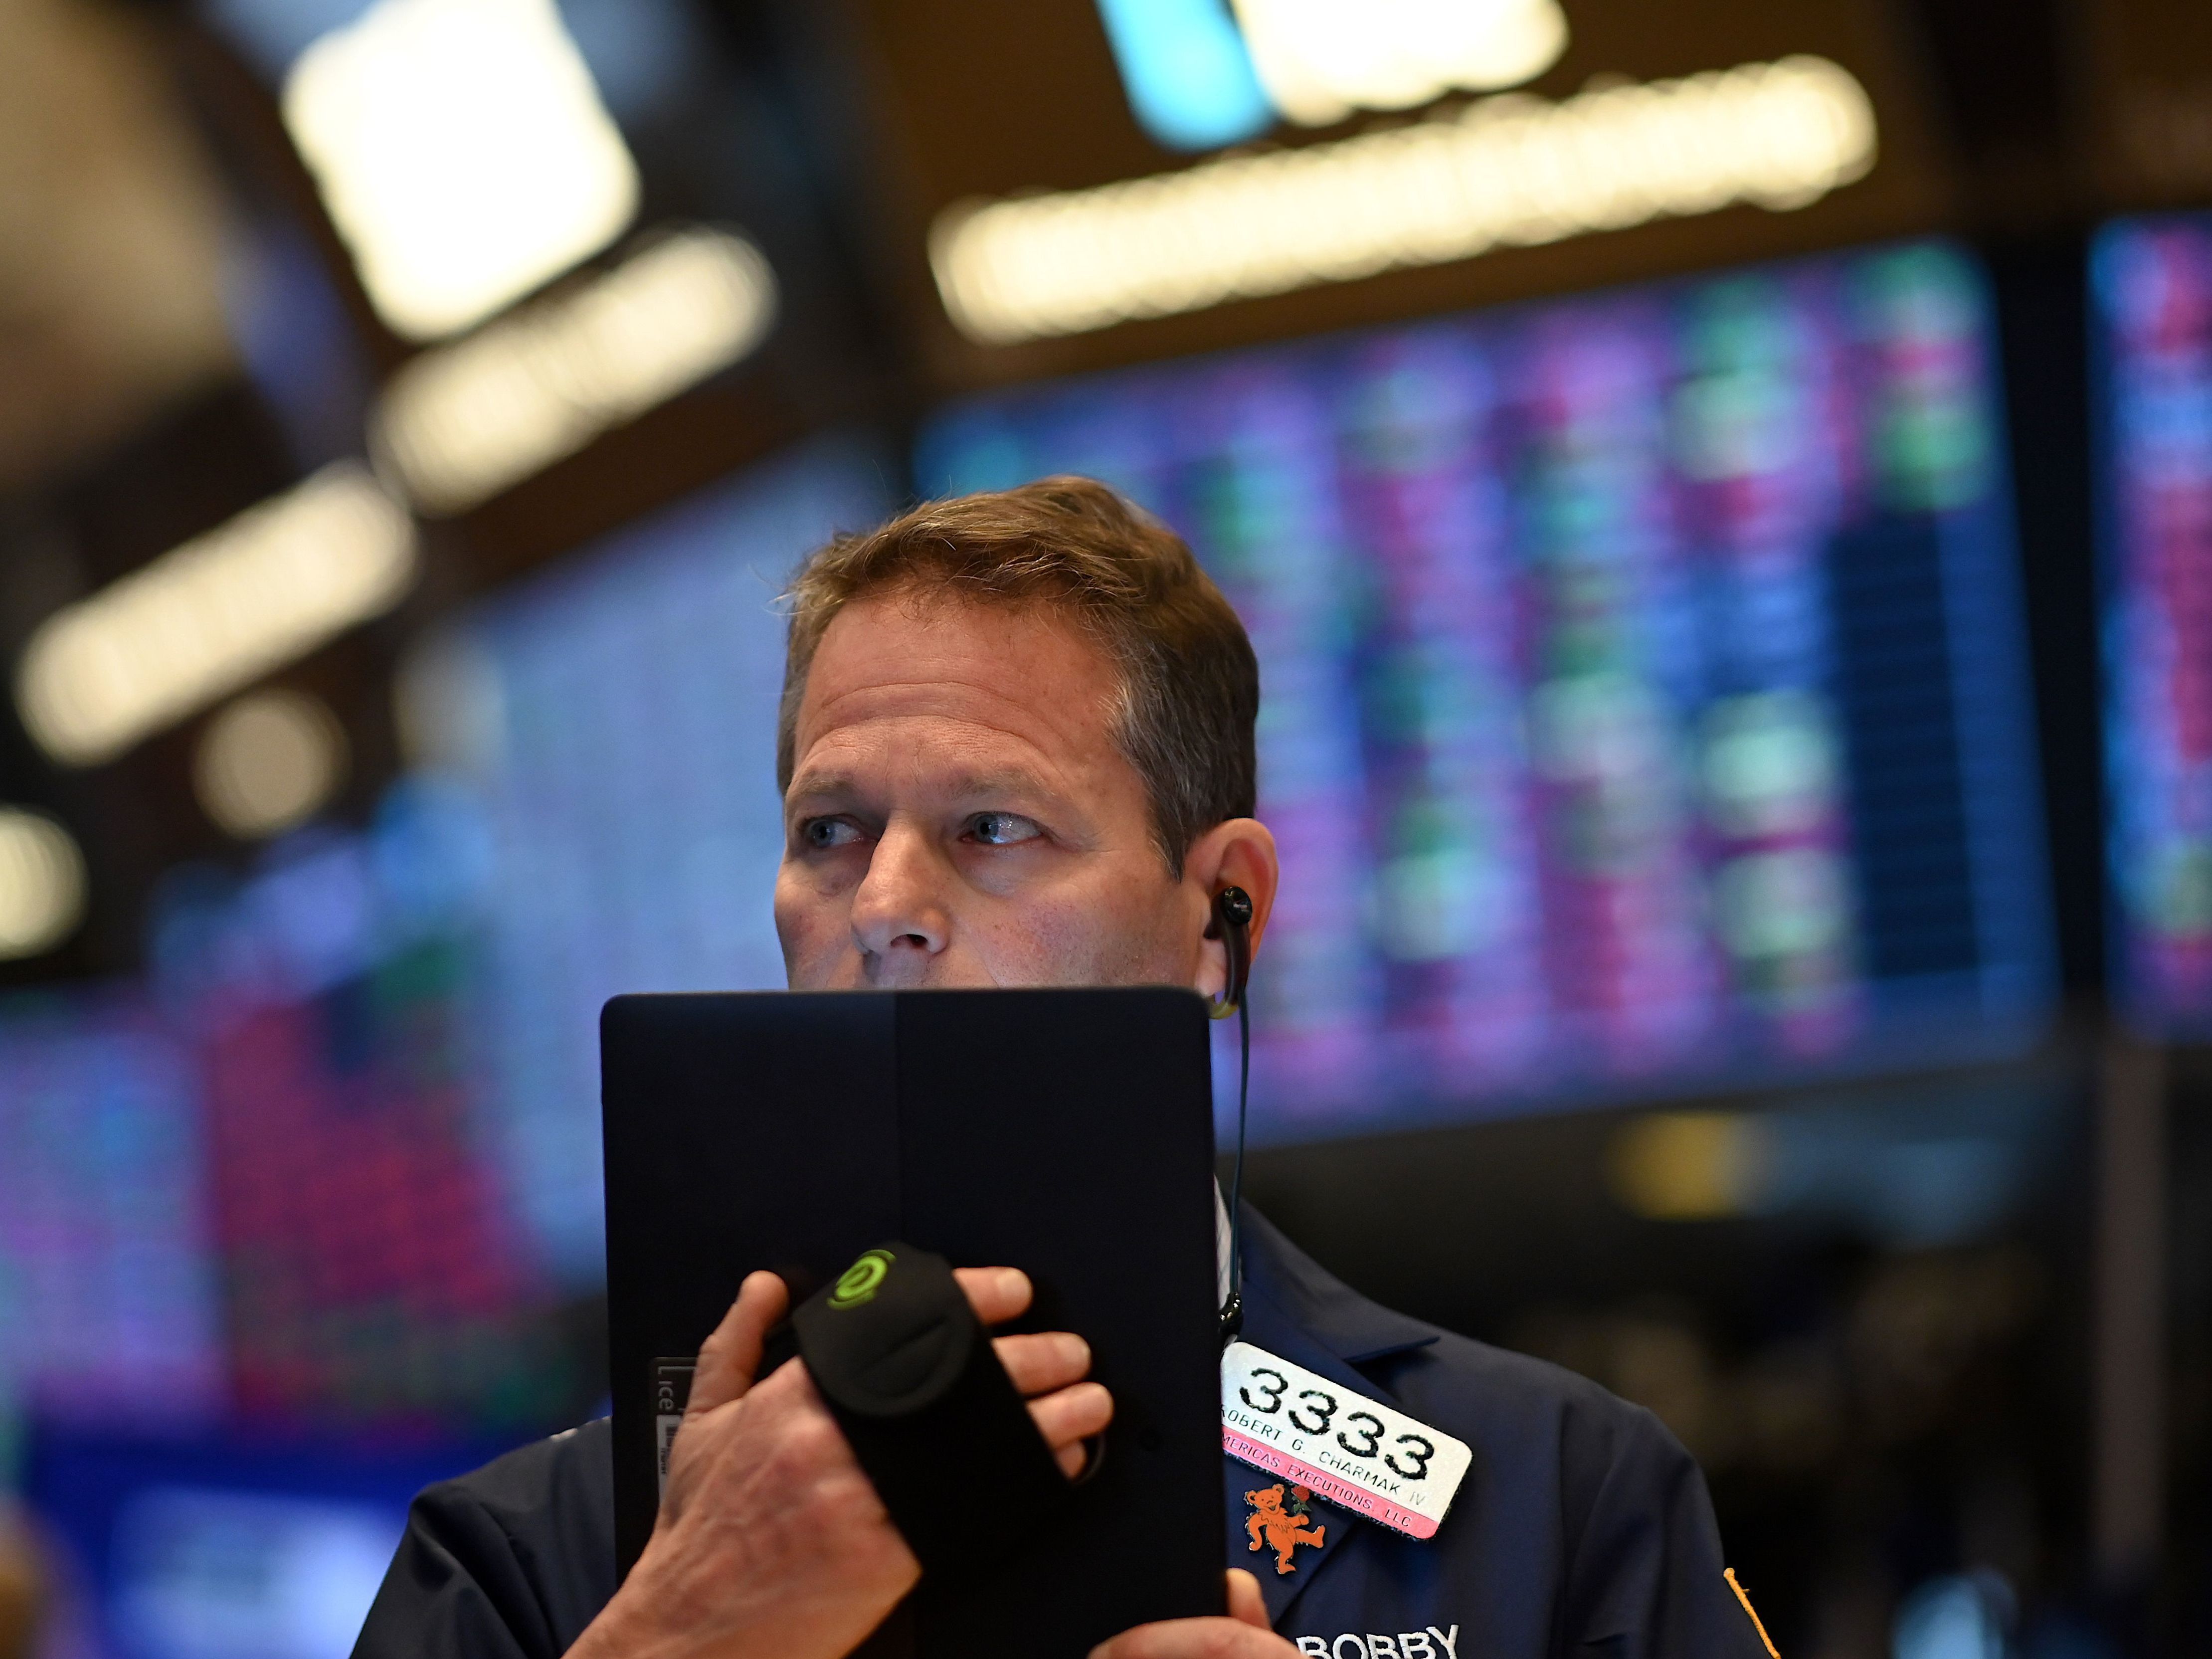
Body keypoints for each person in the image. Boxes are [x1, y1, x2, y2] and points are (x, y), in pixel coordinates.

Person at [355, 478, 1774, 1659]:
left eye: (992, 827)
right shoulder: (523, 1559)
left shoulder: (1556, 1501)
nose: (883, 905)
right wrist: (683, 1637)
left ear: (1221, 915)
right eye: (830, 831)